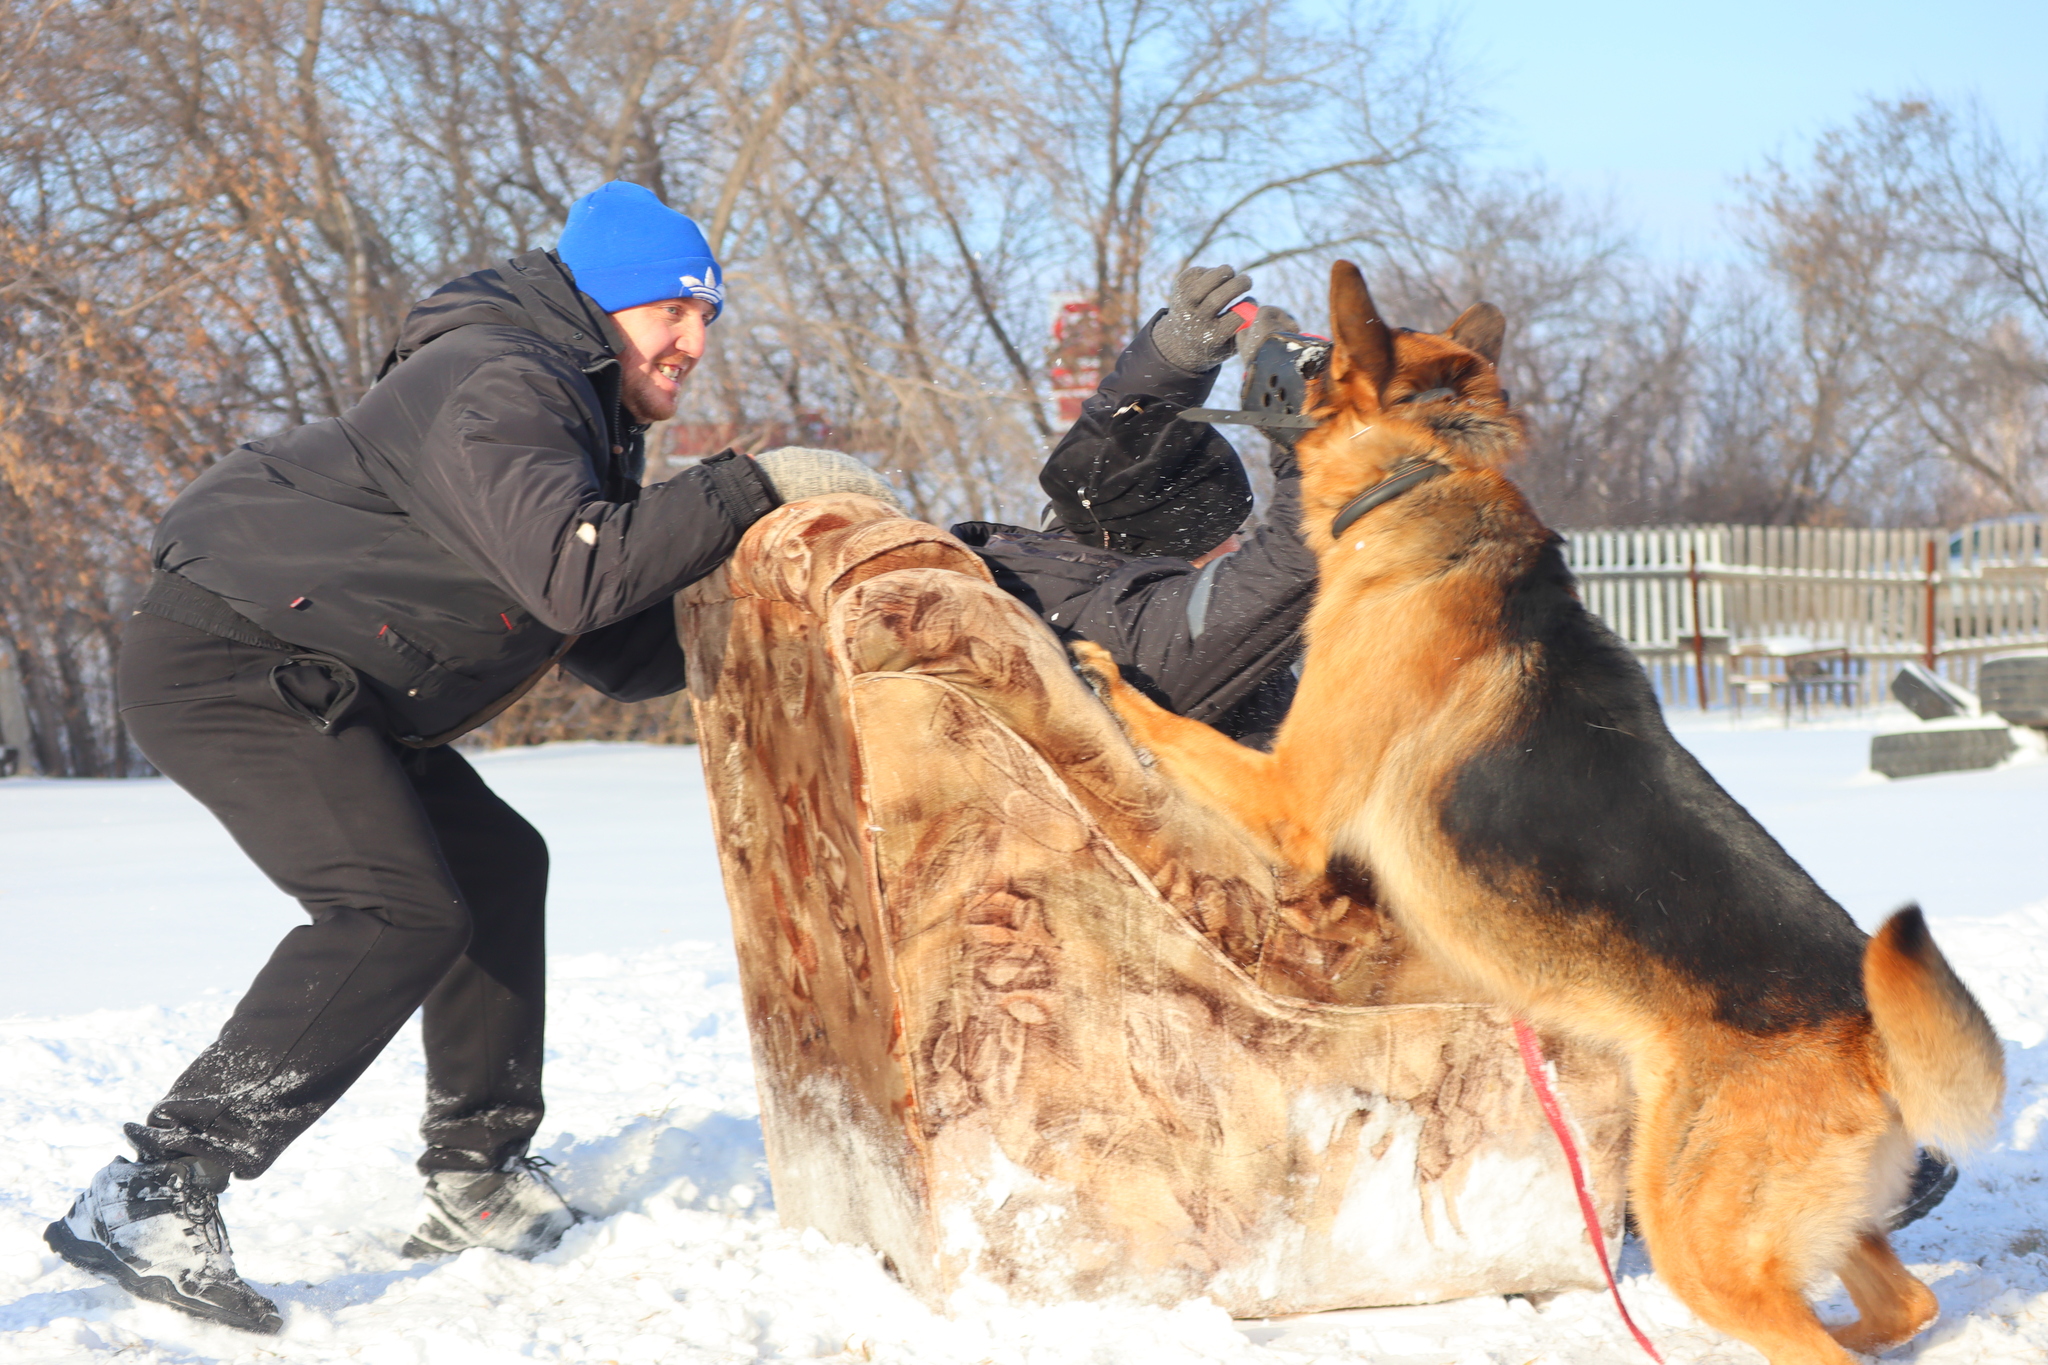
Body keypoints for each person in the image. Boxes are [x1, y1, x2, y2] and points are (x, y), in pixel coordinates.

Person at [43, 181, 892, 1334]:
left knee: (495, 867)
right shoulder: (504, 379)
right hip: (235, 661)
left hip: (329, 682)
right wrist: (745, 487)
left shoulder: (576, 411)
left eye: (707, 319)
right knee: (394, 910)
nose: (692, 343)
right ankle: (153, 1189)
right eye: (669, 312)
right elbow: (580, 573)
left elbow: (611, 646)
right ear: (599, 299)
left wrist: (775, 619)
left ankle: (474, 1173)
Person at [953, 265, 1320, 747]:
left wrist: (1173, 359)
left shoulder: (1060, 570)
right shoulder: (1130, 635)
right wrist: (1305, 405)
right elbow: (1300, 556)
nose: (1238, 549)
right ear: (1166, 547)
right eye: (1228, 536)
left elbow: (1104, 459)